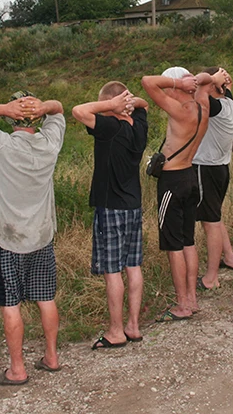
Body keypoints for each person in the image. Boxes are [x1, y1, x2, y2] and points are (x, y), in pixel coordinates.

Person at [0, 91, 66, 386]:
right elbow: (58, 110)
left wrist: (4, 107)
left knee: (10, 305)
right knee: (46, 299)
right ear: (40, 118)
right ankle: (52, 357)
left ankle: (17, 370)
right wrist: (44, 104)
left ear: (10, 119)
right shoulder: (49, 143)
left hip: (8, 240)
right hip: (42, 237)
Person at [72, 83, 149, 348]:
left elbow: (78, 111)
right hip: (134, 205)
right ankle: (134, 325)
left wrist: (111, 106)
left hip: (111, 207)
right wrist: (129, 103)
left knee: (112, 271)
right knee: (133, 266)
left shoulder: (108, 128)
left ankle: (116, 331)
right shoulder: (138, 125)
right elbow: (144, 105)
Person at [141, 67, 212, 321]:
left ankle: (182, 304)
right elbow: (210, 78)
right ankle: (192, 299)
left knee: (174, 246)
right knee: (188, 241)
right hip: (191, 176)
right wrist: (195, 81)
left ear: (175, 86)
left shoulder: (178, 109)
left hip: (172, 181)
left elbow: (147, 81)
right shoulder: (203, 105)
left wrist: (178, 83)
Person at [193, 67, 233, 290]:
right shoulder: (230, 103)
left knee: (210, 222)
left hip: (207, 167)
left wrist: (212, 79)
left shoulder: (215, 106)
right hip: (221, 167)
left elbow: (197, 89)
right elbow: (223, 89)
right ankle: (230, 256)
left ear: (213, 87)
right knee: (216, 216)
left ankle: (211, 278)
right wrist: (221, 83)